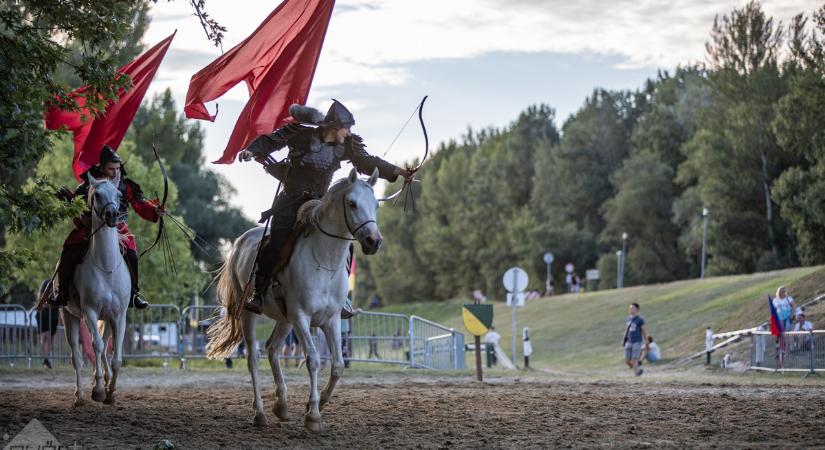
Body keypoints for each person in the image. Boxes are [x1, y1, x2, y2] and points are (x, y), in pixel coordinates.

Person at [238, 100, 414, 315]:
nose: (348, 133)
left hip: (321, 204)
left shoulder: (346, 145)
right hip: (291, 200)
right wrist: (250, 151)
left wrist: (399, 171)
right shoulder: (299, 135)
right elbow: (270, 141)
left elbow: (367, 162)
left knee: (346, 242)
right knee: (276, 242)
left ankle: (341, 299)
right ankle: (260, 292)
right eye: (346, 128)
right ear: (333, 127)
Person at [49, 145, 163, 310]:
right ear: (102, 167)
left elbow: (140, 204)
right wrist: (70, 201)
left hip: (118, 228)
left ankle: (134, 294)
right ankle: (62, 292)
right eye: (111, 169)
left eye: (117, 168)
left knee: (131, 252)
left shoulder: (125, 185)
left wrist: (155, 210)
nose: (115, 172)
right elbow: (77, 207)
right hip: (90, 227)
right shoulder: (89, 185)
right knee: (70, 248)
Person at [36, 279, 60, 368]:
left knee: (49, 338)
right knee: (44, 336)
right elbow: (40, 297)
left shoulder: (59, 283)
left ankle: (46, 359)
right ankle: (45, 359)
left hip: (53, 315)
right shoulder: (46, 282)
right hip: (43, 314)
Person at [623, 303, 648, 376]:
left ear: (637, 309)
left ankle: (636, 374)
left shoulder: (640, 320)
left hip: (637, 341)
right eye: (630, 308)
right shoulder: (628, 318)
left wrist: (646, 341)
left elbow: (644, 330)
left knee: (634, 358)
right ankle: (638, 368)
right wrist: (624, 339)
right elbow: (627, 330)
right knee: (627, 360)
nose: (630, 309)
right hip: (629, 341)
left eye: (632, 308)